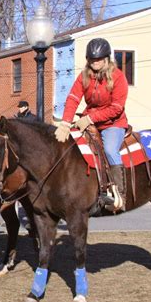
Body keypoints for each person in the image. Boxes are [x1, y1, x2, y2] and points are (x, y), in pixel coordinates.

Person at [54, 37, 128, 211]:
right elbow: (73, 98)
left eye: (99, 59)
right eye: (92, 59)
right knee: (71, 149)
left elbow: (116, 108)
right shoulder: (84, 76)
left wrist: (90, 119)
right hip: (88, 121)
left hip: (113, 123)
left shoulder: (118, 77)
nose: (96, 63)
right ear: (88, 60)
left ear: (107, 59)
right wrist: (65, 123)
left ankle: (120, 196)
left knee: (109, 150)